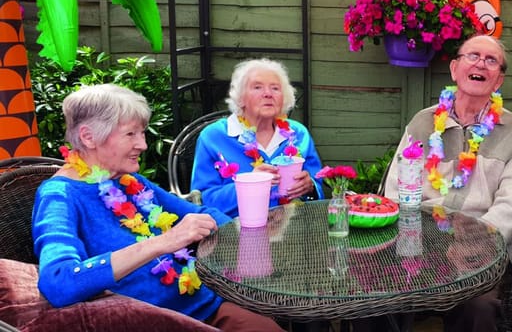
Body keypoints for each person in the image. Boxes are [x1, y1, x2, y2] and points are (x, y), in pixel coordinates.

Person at [32, 84, 284, 331]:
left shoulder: (127, 180)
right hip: (152, 320)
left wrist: (249, 233)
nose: (142, 144)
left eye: (142, 133)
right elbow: (59, 281)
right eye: (130, 134)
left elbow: (199, 214)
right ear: (88, 137)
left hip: (203, 303)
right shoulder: (59, 196)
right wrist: (164, 242)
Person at [379, 34, 512, 331]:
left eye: (491, 61)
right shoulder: (423, 122)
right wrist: (407, 234)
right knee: (374, 294)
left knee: (477, 307)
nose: (481, 63)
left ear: (498, 80)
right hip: (417, 236)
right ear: (455, 69)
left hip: (480, 240)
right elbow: (397, 185)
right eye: (473, 56)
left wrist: (479, 239)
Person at [191, 58, 324, 217]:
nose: (268, 94)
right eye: (257, 87)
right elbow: (204, 200)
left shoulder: (298, 134)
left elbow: (317, 189)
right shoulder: (213, 137)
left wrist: (311, 187)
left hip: (295, 230)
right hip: (233, 232)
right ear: (240, 98)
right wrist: (249, 184)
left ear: (284, 98)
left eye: (275, 88)